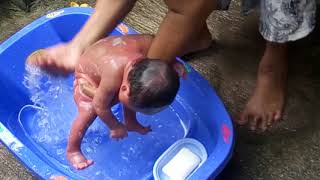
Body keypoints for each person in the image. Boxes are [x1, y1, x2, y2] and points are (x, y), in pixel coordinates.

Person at [27, 0, 317, 132]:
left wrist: (130, 121)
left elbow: (190, 5)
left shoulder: (124, 75)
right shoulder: (118, 76)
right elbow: (103, 107)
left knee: (281, 5)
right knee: (84, 119)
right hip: (125, 66)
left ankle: (273, 63)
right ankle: (73, 148)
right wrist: (80, 44)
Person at [28, 34, 180, 170]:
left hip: (107, 53)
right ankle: (72, 150)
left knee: (135, 93)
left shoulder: (149, 53)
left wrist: (170, 63)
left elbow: (154, 39)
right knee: (88, 111)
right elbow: (100, 106)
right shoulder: (113, 76)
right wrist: (114, 126)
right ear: (124, 87)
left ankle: (130, 122)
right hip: (87, 78)